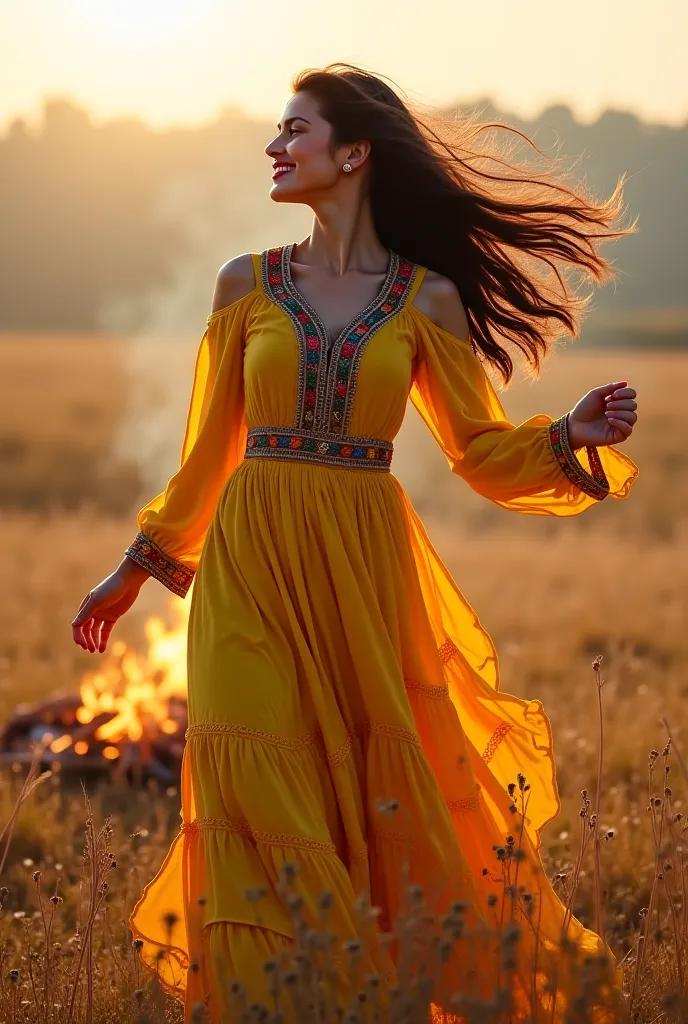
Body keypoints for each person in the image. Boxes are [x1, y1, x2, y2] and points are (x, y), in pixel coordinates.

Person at [71, 64, 639, 1022]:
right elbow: (207, 455)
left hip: (365, 576)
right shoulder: (245, 283)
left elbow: (480, 451)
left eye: (294, 130)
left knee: (370, 810)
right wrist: (135, 570)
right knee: (257, 784)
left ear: (354, 153)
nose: (274, 148)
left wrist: (565, 435)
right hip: (249, 568)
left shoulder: (428, 301)